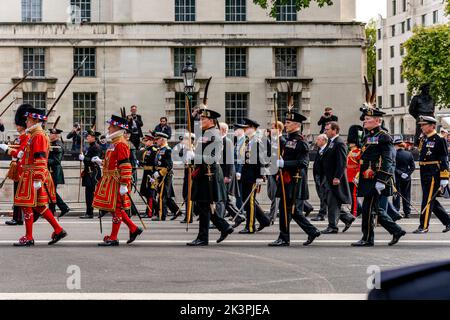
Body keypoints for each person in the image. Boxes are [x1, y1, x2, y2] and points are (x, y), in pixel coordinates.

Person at [12, 107, 68, 246]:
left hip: (32, 175)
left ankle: (29, 236)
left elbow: (40, 158)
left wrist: (37, 178)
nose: (26, 121)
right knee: (39, 206)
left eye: (28, 119)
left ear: (35, 120)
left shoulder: (38, 136)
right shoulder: (35, 134)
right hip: (31, 173)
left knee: (26, 205)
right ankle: (58, 229)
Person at [352, 108, 406, 247]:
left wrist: (382, 180)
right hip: (367, 177)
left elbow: (388, 160)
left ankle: (368, 238)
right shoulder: (368, 135)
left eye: (368, 119)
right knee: (374, 209)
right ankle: (396, 231)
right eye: (365, 118)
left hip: (376, 178)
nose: (365, 120)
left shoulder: (384, 136)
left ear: (378, 121)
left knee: (368, 209)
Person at [269, 111, 321, 247]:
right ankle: (312, 231)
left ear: (297, 125)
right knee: (292, 210)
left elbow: (303, 163)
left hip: (294, 181)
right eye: (286, 122)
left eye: (288, 123)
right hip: (286, 179)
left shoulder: (300, 142)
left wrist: (284, 164)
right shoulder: (289, 140)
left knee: (288, 209)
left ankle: (284, 238)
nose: (285, 125)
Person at [92, 114, 143, 246]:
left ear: (117, 128)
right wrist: (101, 162)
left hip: (116, 180)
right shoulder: (114, 143)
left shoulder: (120, 144)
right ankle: (133, 228)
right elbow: (112, 162)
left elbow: (125, 165)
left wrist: (124, 184)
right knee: (115, 208)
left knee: (116, 208)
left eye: (111, 126)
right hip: (110, 179)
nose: (108, 128)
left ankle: (114, 237)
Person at [186, 108, 234, 246]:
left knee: (204, 206)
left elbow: (213, 158)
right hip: (203, 172)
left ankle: (203, 237)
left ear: (211, 121)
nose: (200, 121)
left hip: (209, 173)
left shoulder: (215, 135)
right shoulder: (206, 133)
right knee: (204, 205)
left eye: (203, 119)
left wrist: (196, 156)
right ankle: (224, 227)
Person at [412, 116, 450, 234]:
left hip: (434, 172)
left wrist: (444, 177)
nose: (421, 127)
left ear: (432, 126)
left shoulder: (439, 139)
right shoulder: (424, 139)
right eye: (421, 125)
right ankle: (448, 221)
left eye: (424, 125)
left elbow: (444, 159)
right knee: (431, 200)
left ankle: (423, 226)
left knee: (427, 200)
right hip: (424, 171)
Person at [320, 122, 355, 234]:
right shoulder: (331, 142)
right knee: (327, 199)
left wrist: (337, 177)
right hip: (328, 177)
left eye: (327, 129)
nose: (325, 131)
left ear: (334, 130)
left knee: (332, 202)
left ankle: (333, 226)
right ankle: (347, 218)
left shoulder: (339, 143)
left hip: (334, 178)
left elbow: (342, 162)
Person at [238, 118, 271, 234]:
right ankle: (264, 220)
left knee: (250, 201)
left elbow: (262, 159)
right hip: (246, 174)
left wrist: (260, 176)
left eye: (246, 128)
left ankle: (250, 226)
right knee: (246, 200)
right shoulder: (249, 141)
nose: (244, 130)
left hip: (253, 175)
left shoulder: (258, 141)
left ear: (253, 128)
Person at [0, 104, 31, 226]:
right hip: (18, 168)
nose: (16, 126)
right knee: (17, 194)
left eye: (18, 124)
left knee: (19, 195)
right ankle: (18, 217)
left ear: (21, 125)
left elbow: (21, 153)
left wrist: (8, 149)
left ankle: (19, 218)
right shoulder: (22, 137)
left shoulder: (26, 136)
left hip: (22, 169)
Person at [219, 122, 244, 227]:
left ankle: (219, 220)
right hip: (221, 172)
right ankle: (238, 216)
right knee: (224, 198)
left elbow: (229, 160)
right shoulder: (220, 141)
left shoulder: (227, 141)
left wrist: (228, 176)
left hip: (226, 173)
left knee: (221, 198)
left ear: (223, 130)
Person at [151, 132, 179, 221]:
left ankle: (161, 215)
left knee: (162, 195)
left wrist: (160, 173)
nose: (156, 141)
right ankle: (177, 211)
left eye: (157, 139)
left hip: (165, 175)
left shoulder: (167, 150)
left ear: (162, 140)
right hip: (159, 174)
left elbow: (169, 165)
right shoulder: (160, 149)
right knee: (166, 195)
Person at [79, 127, 102, 219]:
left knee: (91, 194)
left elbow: (94, 160)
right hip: (89, 172)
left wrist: (84, 158)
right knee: (89, 194)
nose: (87, 137)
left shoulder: (96, 147)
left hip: (93, 172)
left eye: (89, 136)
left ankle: (91, 212)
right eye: (87, 136)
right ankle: (89, 212)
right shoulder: (91, 146)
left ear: (94, 137)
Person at [48, 125, 70, 217]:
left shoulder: (58, 145)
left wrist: (45, 160)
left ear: (57, 135)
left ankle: (63, 207)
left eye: (52, 134)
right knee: (50, 191)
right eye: (50, 133)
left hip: (54, 171)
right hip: (50, 170)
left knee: (51, 191)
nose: (49, 135)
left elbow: (57, 160)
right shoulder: (51, 143)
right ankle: (52, 210)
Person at [267, 121, 285, 225]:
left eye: (273, 127)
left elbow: (282, 157)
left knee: (275, 195)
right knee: (271, 194)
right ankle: (306, 206)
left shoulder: (282, 141)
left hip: (277, 171)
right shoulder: (273, 140)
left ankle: (271, 217)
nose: (270, 129)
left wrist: (279, 172)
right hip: (271, 169)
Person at [393, 136, 415, 219]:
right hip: (406, 178)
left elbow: (393, 167)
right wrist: (407, 174)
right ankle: (407, 212)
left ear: (397, 145)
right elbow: (412, 167)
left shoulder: (394, 154)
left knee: (396, 195)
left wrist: (400, 173)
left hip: (397, 177)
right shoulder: (409, 154)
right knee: (406, 195)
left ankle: (396, 211)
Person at [139, 132, 158, 218]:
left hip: (151, 173)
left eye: (147, 140)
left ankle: (150, 212)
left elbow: (154, 163)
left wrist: (154, 176)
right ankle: (156, 209)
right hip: (146, 173)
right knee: (145, 192)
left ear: (151, 141)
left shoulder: (153, 150)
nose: (145, 142)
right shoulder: (147, 150)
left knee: (150, 193)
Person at [346, 125, 363, 217]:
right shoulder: (350, 151)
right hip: (348, 176)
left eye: (351, 142)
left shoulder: (359, 151)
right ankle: (357, 209)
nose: (349, 143)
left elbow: (360, 166)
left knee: (353, 195)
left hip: (354, 176)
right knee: (350, 195)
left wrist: (357, 177)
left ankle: (354, 212)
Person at [311, 134, 328, 221]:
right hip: (318, 175)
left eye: (318, 139)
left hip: (324, 176)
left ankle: (321, 214)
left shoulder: (327, 149)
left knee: (324, 196)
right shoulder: (319, 149)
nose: (316, 141)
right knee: (324, 197)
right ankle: (347, 217)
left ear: (324, 141)